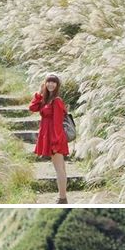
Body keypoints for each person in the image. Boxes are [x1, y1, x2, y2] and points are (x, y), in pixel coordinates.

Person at [29, 73, 71, 204]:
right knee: (60, 168)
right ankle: (62, 197)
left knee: (59, 169)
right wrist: (40, 93)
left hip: (55, 138)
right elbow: (32, 107)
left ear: (57, 85)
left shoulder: (56, 101)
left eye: (54, 82)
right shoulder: (47, 100)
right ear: (45, 83)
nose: (51, 84)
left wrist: (55, 142)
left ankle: (62, 198)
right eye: (48, 82)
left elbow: (58, 124)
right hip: (49, 136)